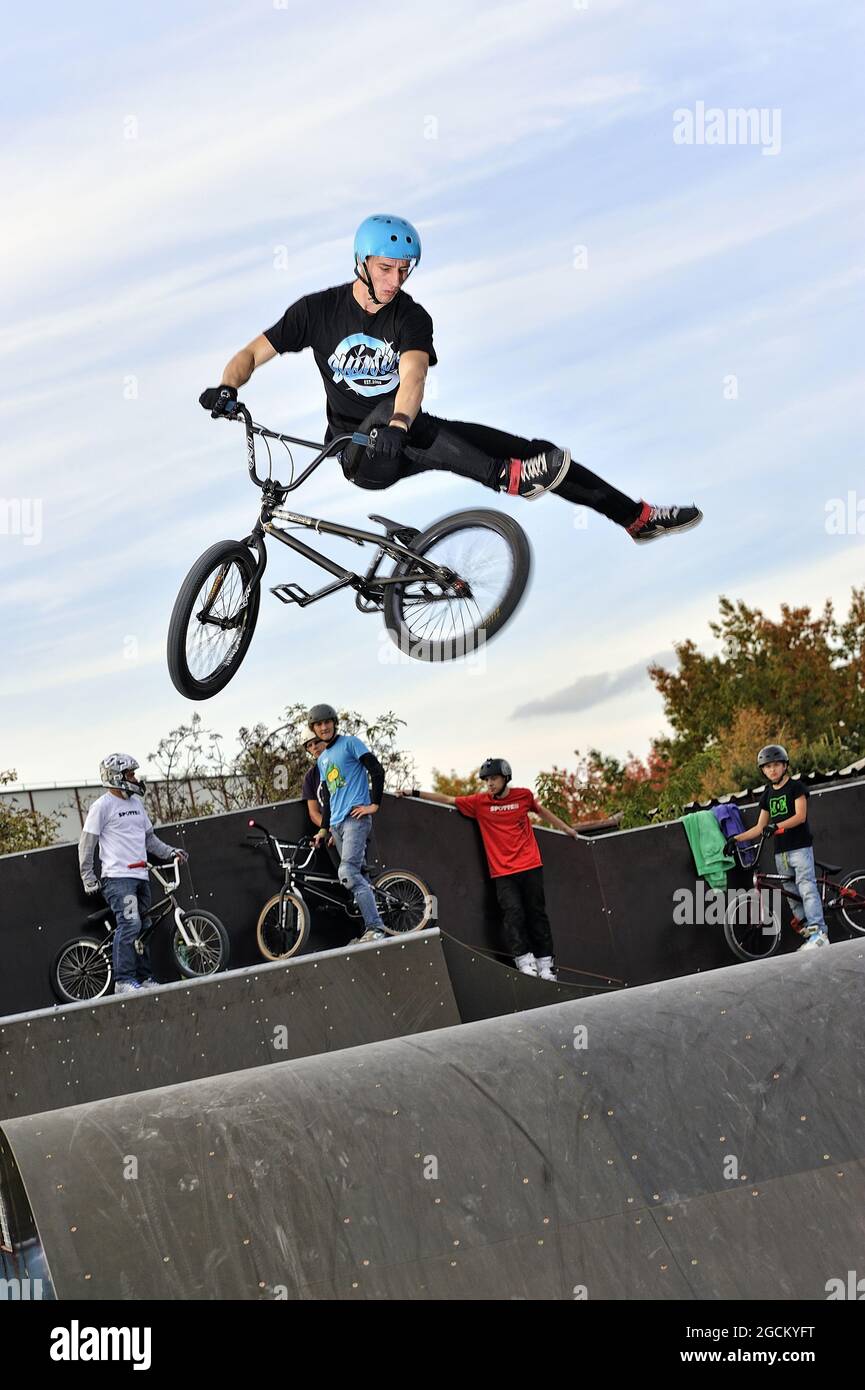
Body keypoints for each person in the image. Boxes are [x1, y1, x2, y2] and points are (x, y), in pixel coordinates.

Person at [199, 214, 702, 543]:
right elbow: (250, 354)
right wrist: (228, 387)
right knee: (402, 421)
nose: (397, 281)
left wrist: (399, 423)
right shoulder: (316, 311)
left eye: (405, 270)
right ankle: (503, 478)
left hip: (404, 434)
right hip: (357, 453)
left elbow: (412, 375)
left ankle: (635, 518)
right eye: (387, 269)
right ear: (362, 263)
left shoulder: (411, 317)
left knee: (536, 451)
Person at [402, 757, 577, 979]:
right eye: (486, 780)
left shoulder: (523, 796)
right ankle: (524, 961)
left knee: (536, 915)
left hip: (530, 865)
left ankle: (546, 964)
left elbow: (541, 811)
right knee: (513, 915)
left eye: (493, 779)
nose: (490, 784)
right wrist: (413, 793)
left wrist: (566, 829)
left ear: (505, 778)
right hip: (503, 872)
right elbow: (447, 798)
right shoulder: (479, 803)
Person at [78, 754, 189, 993]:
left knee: (144, 926)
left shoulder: (136, 805)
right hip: (118, 879)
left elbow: (150, 839)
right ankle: (123, 980)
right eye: (130, 774)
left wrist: (171, 852)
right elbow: (87, 843)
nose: (135, 778)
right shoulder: (102, 806)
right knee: (130, 923)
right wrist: (88, 876)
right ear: (117, 778)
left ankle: (145, 977)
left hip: (141, 877)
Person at [731, 744, 828, 951]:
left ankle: (820, 932)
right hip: (781, 853)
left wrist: (776, 826)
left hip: (800, 848)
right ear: (763, 771)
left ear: (785, 766)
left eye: (776, 765)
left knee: (807, 888)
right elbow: (760, 827)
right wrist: (735, 839)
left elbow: (800, 817)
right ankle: (809, 935)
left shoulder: (796, 787)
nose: (772, 770)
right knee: (792, 895)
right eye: (767, 767)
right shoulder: (767, 794)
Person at [307, 704, 388, 944]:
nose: (324, 727)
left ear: (334, 722)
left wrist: (374, 804)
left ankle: (376, 928)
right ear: (313, 728)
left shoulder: (350, 743)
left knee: (347, 872)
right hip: (337, 825)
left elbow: (377, 770)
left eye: (327, 722)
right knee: (358, 875)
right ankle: (370, 930)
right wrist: (324, 828)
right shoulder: (323, 760)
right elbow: (329, 797)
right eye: (319, 724)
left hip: (356, 819)